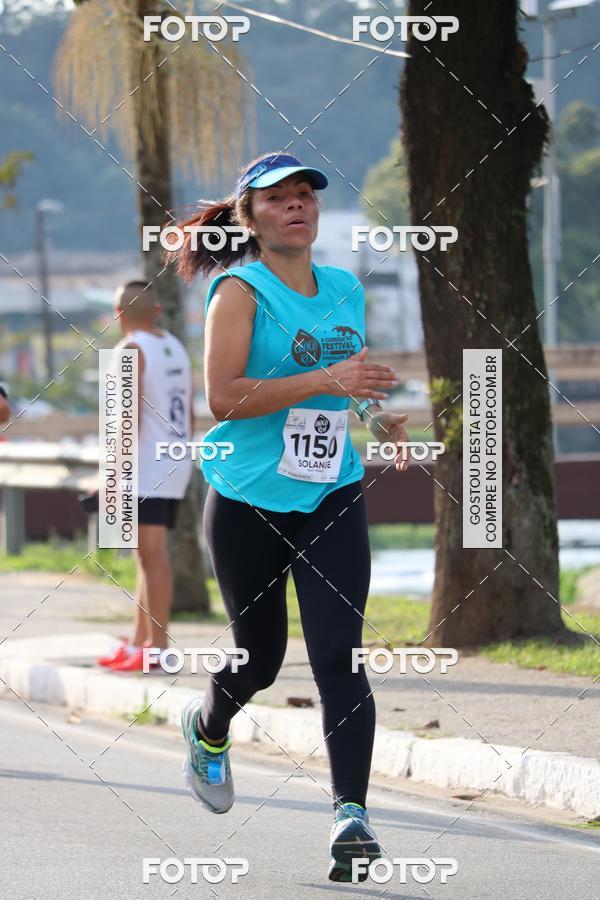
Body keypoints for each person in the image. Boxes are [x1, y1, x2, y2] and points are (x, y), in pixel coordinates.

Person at [170, 153, 410, 882]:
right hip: (248, 495)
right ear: (250, 218)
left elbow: (349, 376)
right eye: (278, 198)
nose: (297, 205)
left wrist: (378, 414)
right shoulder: (238, 292)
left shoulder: (342, 288)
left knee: (340, 654)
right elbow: (223, 397)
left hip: (331, 490)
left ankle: (351, 817)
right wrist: (324, 378)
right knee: (262, 658)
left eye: (305, 194)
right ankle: (209, 727)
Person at [97, 281, 193, 672]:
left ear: (118, 315)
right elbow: (188, 408)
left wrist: (112, 474)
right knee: (147, 557)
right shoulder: (175, 345)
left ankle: (158, 647)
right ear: (156, 310)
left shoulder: (129, 350)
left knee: (152, 557)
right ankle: (139, 642)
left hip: (145, 465)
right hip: (175, 458)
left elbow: (127, 418)